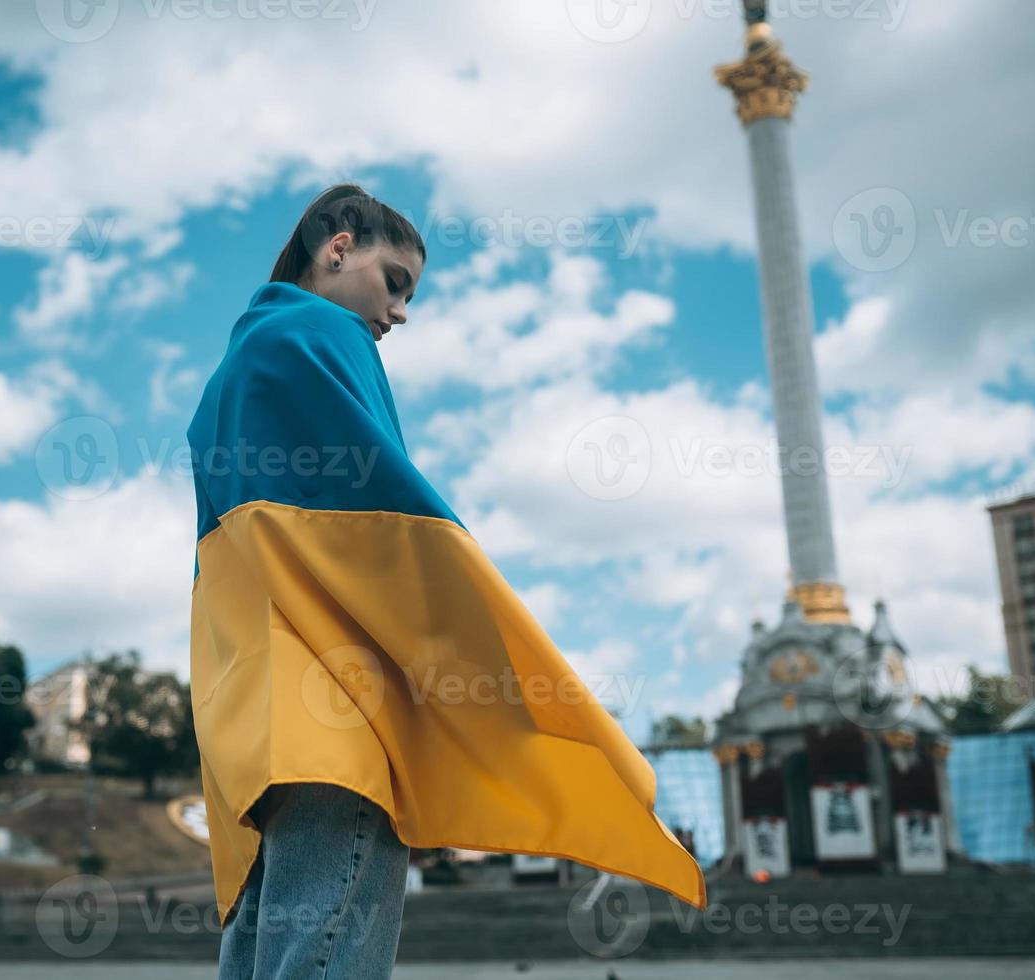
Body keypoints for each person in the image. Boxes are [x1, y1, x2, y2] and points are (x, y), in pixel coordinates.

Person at [187, 184, 705, 979]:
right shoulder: (322, 332)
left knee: (263, 953)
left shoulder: (231, 372)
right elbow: (391, 527)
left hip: (258, 720)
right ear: (336, 245)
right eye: (393, 281)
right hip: (339, 713)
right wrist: (500, 667)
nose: (398, 313)